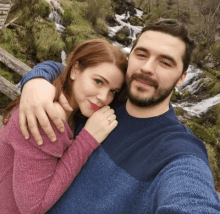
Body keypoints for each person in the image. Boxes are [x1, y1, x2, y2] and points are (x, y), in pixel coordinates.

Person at [18, 19, 220, 213]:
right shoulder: (105, 98)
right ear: (130, 56)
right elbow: (70, 71)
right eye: (141, 54)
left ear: (182, 77)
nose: (147, 68)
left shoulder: (178, 150)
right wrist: (37, 82)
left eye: (165, 63)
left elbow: (192, 197)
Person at [0, 39, 127, 213]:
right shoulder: (49, 117)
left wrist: (37, 77)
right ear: (75, 70)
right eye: (98, 81)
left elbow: (60, 68)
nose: (104, 98)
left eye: (113, 91)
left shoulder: (69, 105)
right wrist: (87, 140)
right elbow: (33, 208)